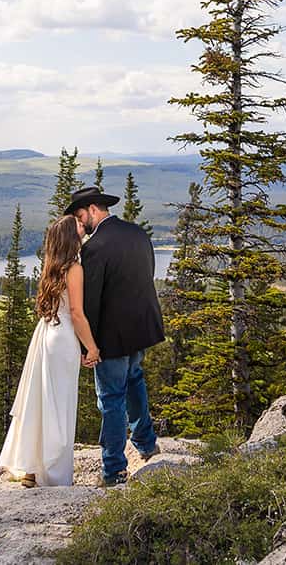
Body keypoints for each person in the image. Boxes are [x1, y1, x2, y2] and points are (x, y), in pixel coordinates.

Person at [65, 184, 165, 486]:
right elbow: (146, 275)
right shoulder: (138, 233)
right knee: (135, 380)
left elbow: (90, 303)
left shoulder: (94, 249)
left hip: (111, 337)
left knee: (110, 399)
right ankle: (147, 443)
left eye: (82, 216)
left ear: (93, 209)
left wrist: (88, 346)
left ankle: (113, 469)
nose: (82, 224)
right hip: (141, 327)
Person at [0, 215, 101, 487]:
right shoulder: (74, 269)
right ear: (70, 236)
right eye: (78, 225)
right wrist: (92, 348)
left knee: (39, 403)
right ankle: (54, 474)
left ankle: (31, 469)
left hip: (45, 334)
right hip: (63, 337)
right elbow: (76, 313)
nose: (82, 226)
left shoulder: (51, 267)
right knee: (60, 407)